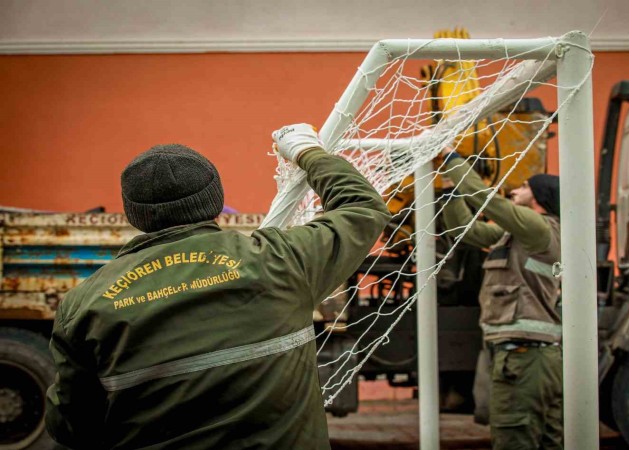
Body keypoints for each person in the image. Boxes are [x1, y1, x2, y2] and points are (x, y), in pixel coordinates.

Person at [45, 124, 391, 449]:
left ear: (134, 214)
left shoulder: (84, 306)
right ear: (215, 200)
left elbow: (71, 426)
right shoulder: (280, 260)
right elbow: (362, 208)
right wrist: (305, 150)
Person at [439, 147, 562, 450]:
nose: (515, 190)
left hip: (523, 357)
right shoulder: (516, 235)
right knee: (549, 440)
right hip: (526, 356)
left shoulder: (538, 227)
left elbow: (487, 201)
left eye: (523, 187)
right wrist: (451, 186)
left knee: (513, 438)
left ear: (538, 198)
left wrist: (451, 158)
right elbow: (464, 230)